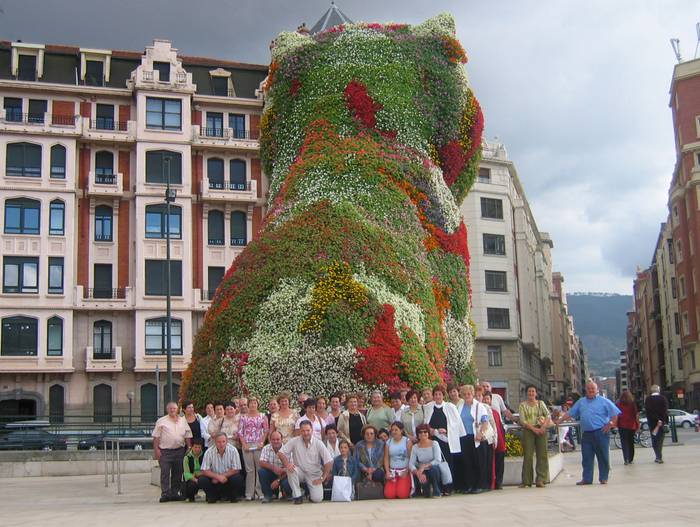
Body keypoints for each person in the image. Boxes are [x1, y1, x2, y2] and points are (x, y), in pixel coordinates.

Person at [558, 380, 621, 485]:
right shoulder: (581, 402)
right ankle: (587, 479)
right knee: (586, 457)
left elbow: (615, 413)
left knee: (603, 456)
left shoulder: (604, 401)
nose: (591, 390)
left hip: (601, 432)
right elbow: (570, 413)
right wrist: (559, 421)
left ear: (597, 390)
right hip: (586, 434)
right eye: (589, 388)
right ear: (586, 390)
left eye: (593, 388)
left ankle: (603, 478)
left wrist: (610, 424)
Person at [278, 420, 333, 504]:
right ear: (300, 431)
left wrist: (323, 478)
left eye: (308, 430)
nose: (306, 433)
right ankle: (297, 496)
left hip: (314, 474)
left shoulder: (318, 443)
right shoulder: (295, 441)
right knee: (290, 470)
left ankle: (309, 493)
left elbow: (328, 461)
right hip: (300, 472)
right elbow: (281, 453)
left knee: (317, 499)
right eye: (303, 431)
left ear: (312, 430)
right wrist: (287, 464)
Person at [424, 384, 465, 495]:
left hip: (446, 441)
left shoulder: (450, 407)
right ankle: (439, 488)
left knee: (447, 464)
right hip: (433, 441)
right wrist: (432, 430)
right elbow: (425, 423)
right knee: (436, 464)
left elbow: (456, 424)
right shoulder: (428, 407)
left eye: (440, 394)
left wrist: (446, 430)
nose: (437, 396)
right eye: (436, 394)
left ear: (443, 395)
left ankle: (448, 488)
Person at [152, 401, 193, 502]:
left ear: (177, 409)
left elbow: (187, 434)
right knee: (165, 473)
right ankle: (165, 494)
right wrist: (156, 450)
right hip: (165, 451)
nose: (172, 410)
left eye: (174, 408)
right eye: (170, 408)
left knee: (178, 473)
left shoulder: (182, 420)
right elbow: (156, 436)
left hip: (179, 450)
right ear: (167, 410)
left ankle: (175, 493)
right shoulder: (161, 421)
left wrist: (189, 447)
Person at [458, 385, 489, 493]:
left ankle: (479, 485)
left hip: (476, 437)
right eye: (464, 394)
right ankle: (469, 485)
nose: (467, 396)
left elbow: (485, 422)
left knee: (478, 461)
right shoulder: (460, 406)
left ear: (473, 394)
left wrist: (481, 433)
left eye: (469, 394)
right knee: (467, 462)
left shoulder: (479, 406)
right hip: (464, 436)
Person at [518, 385, 551, 488]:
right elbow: (523, 421)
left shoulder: (541, 404)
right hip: (529, 430)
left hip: (541, 430)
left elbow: (548, 415)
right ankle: (526, 481)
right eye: (529, 391)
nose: (531, 393)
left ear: (536, 393)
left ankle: (541, 479)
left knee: (542, 454)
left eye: (533, 391)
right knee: (528, 455)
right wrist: (534, 429)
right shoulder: (522, 405)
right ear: (526, 393)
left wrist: (543, 427)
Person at [198, 432, 245, 503]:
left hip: (228, 478)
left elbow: (236, 469)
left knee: (238, 478)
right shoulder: (209, 452)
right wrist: (217, 477)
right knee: (202, 480)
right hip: (214, 479)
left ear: (227, 441)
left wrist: (222, 476)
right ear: (215, 442)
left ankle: (233, 496)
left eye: (223, 441)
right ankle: (212, 497)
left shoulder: (233, 450)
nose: (221, 444)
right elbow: (205, 470)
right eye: (219, 442)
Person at [238, 396, 269, 500]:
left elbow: (266, 430)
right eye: (251, 403)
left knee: (259, 468)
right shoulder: (243, 417)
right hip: (247, 444)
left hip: (258, 444)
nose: (252, 405)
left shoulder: (262, 416)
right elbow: (240, 432)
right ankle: (249, 493)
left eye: (254, 403)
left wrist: (262, 442)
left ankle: (260, 491)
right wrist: (244, 444)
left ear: (257, 404)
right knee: (250, 470)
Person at [258, 430, 292, 503]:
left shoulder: (288, 449)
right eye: (273, 439)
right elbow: (261, 462)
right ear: (270, 440)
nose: (275, 441)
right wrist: (274, 468)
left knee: (288, 480)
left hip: (285, 474)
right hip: (272, 472)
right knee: (262, 471)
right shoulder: (266, 448)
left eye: (278, 439)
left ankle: (289, 494)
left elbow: (291, 468)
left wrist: (278, 480)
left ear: (281, 439)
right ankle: (268, 495)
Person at [409, 423, 442, 498]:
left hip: (433, 469)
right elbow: (411, 464)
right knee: (426, 495)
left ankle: (436, 489)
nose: (423, 434)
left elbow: (437, 460)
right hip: (422, 472)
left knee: (434, 469)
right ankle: (422, 490)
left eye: (425, 432)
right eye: (420, 432)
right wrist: (418, 473)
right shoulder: (415, 447)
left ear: (428, 433)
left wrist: (425, 466)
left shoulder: (434, 444)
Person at [383, 422, 412, 499]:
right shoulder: (388, 442)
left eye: (396, 430)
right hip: (393, 472)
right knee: (389, 495)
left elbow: (411, 458)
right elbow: (386, 458)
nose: (394, 432)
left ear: (401, 430)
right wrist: (387, 472)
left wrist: (406, 471)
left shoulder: (407, 441)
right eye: (392, 430)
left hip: (404, 471)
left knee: (402, 495)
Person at [483, 391, 506, 489]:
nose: (485, 401)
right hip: (487, 440)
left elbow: (499, 427)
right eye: (484, 399)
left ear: (490, 400)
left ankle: (499, 482)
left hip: (498, 440)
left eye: (487, 399)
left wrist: (501, 441)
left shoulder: (495, 413)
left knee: (499, 462)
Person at [644, 384, 669, 464]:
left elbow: (648, 411)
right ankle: (659, 456)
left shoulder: (648, 399)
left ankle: (658, 456)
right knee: (660, 439)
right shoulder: (663, 398)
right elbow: (665, 410)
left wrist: (655, 419)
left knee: (654, 439)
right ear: (659, 390)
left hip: (652, 422)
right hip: (662, 422)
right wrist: (662, 420)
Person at [616, 389, 639, 465]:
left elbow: (616, 414)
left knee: (624, 442)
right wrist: (637, 424)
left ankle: (626, 459)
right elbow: (636, 414)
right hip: (631, 425)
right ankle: (630, 458)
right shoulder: (632, 403)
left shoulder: (618, 404)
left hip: (622, 425)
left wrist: (615, 424)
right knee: (631, 442)